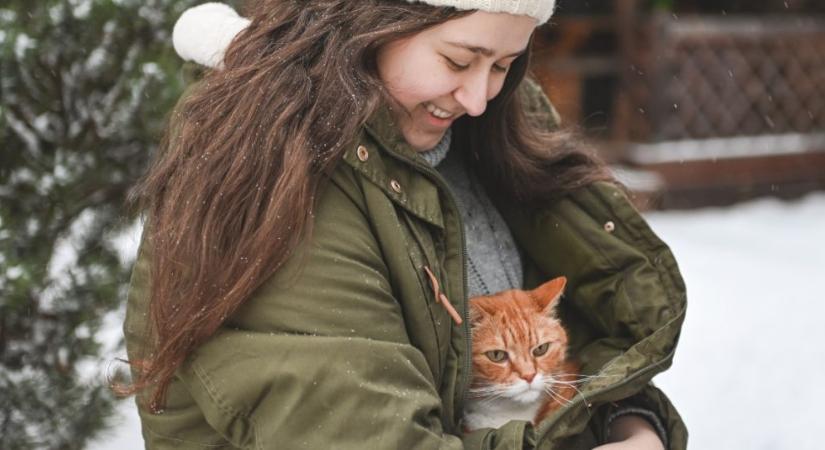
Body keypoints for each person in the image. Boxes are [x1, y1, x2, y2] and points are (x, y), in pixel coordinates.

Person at [122, 1, 688, 448]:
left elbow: (572, 331)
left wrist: (629, 420)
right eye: (459, 61)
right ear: (371, 24)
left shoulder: (481, 135)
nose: (477, 98)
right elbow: (369, 430)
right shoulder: (279, 175)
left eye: (504, 65)